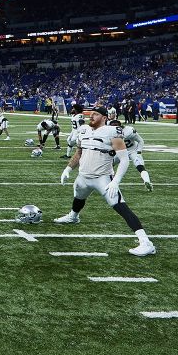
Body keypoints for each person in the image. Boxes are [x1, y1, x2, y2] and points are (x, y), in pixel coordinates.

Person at [54, 107, 156, 257]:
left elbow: (124, 159)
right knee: (78, 196)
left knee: (120, 207)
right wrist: (68, 169)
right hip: (83, 176)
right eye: (91, 114)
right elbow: (79, 152)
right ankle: (73, 217)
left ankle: (146, 243)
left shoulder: (112, 132)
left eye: (95, 114)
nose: (91, 116)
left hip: (102, 178)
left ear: (103, 117)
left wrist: (116, 181)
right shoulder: (83, 130)